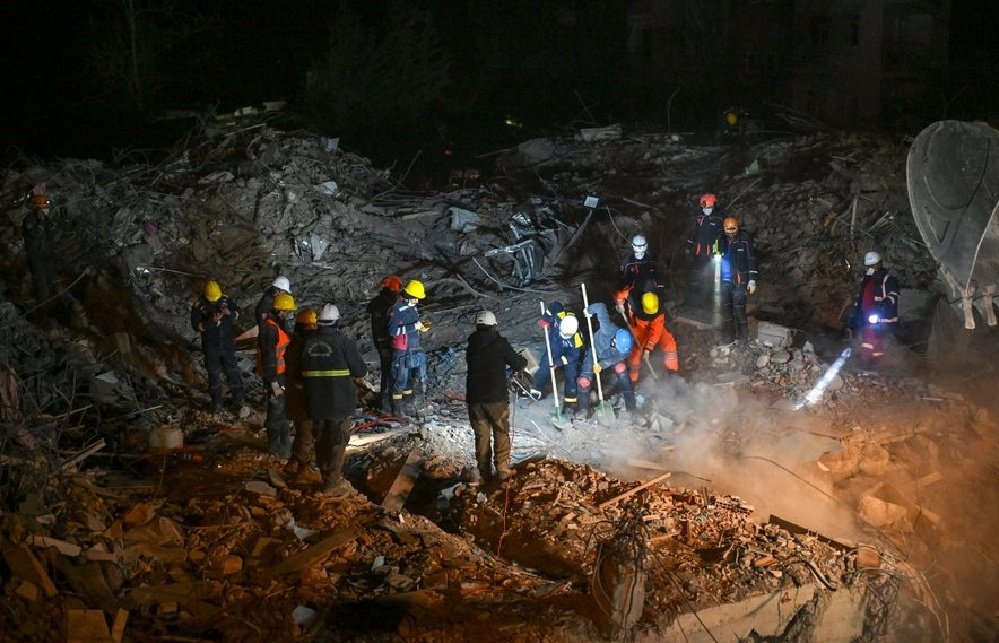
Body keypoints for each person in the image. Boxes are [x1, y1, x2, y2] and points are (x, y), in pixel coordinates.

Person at [301, 304, 367, 497]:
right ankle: (331, 484)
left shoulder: (307, 342)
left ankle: (324, 478)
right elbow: (360, 371)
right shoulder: (343, 342)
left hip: (315, 401)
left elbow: (298, 372)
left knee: (320, 439)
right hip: (339, 401)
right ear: (337, 321)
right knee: (337, 442)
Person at [465, 310, 528, 484]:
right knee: (501, 431)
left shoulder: (472, 344)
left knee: (482, 435)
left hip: (475, 398)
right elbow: (517, 363)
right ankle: (501, 468)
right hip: (495, 397)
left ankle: (484, 473)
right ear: (494, 326)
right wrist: (523, 362)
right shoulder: (499, 343)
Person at [190, 280, 245, 415]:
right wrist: (211, 322)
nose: (214, 303)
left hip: (227, 345)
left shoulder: (226, 300)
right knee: (214, 375)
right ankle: (217, 404)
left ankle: (239, 402)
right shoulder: (199, 306)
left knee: (233, 372)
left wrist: (229, 313)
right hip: (211, 347)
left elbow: (238, 313)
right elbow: (197, 326)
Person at [578, 303, 637, 418]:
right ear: (614, 340)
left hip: (609, 357)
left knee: (621, 370)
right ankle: (584, 409)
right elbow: (600, 307)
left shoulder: (626, 347)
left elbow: (618, 357)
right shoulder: (608, 329)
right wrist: (589, 310)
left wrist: (602, 364)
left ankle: (631, 408)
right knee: (584, 380)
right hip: (594, 350)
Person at [256, 292, 297, 458]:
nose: (288, 315)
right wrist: (273, 382)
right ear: (281, 311)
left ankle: (283, 449)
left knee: (282, 411)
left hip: (281, 375)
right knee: (276, 411)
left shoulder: (277, 326)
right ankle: (275, 449)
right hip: (276, 377)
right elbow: (269, 358)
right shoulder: (269, 329)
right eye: (287, 312)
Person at [284, 308, 319, 482]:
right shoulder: (304, 348)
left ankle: (292, 463)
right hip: (304, 397)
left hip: (295, 396)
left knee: (301, 432)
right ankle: (304, 470)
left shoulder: (294, 345)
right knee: (307, 433)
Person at [387, 279, 430, 417]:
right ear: (409, 296)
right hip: (401, 349)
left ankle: (407, 407)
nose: (418, 301)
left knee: (410, 380)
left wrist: (420, 327)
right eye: (416, 298)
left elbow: (412, 325)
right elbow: (393, 332)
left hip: (412, 348)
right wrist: (414, 327)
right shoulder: (396, 309)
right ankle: (397, 412)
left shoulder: (412, 307)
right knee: (400, 380)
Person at [531, 302, 583, 411]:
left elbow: (573, 356)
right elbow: (555, 305)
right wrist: (545, 318)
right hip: (554, 349)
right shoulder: (559, 316)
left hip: (567, 355)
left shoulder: (577, 340)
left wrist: (558, 363)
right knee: (545, 366)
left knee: (571, 373)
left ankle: (570, 400)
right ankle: (536, 389)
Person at [852, 251, 899, 364]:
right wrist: (855, 313)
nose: (872, 268)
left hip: (879, 318)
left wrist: (879, 309)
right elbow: (862, 297)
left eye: (874, 265)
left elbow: (892, 297)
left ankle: (865, 361)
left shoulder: (888, 280)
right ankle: (875, 363)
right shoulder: (866, 281)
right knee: (873, 340)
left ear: (880, 263)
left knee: (870, 339)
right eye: (869, 266)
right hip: (866, 316)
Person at [717, 216, 758, 346]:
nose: (730, 232)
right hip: (724, 280)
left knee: (739, 309)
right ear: (724, 229)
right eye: (727, 229)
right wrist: (715, 253)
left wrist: (752, 279)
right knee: (726, 311)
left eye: (733, 229)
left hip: (739, 280)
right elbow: (715, 254)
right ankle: (729, 337)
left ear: (737, 227)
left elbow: (752, 259)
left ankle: (743, 338)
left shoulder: (744, 240)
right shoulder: (721, 240)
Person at [366, 275, 402, 413]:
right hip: (389, 341)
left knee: (387, 370)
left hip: (380, 341)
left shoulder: (377, 301)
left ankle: (386, 402)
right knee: (391, 371)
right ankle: (387, 404)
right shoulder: (391, 303)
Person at [625, 292, 679, 383]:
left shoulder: (657, 307)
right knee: (636, 352)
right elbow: (622, 292)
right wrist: (619, 302)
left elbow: (656, 330)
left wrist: (648, 348)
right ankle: (632, 379)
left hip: (656, 324)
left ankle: (672, 372)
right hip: (640, 326)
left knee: (669, 344)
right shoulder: (634, 303)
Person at [686, 193, 724, 312]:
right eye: (704, 208)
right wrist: (688, 245)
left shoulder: (718, 219)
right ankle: (697, 302)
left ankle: (711, 302)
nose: (706, 210)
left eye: (708, 208)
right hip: (698, 251)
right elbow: (694, 232)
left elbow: (720, 236)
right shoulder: (699, 217)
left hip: (711, 254)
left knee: (711, 277)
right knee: (697, 275)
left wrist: (718, 250)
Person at [22, 192, 55, 306]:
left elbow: (50, 237)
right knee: (41, 286)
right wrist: (40, 221)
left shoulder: (45, 219)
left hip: (46, 255)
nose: (47, 209)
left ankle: (47, 307)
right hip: (36, 257)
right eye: (45, 207)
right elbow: (36, 234)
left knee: (49, 281)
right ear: (38, 208)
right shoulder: (30, 219)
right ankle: (42, 312)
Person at [615, 234, 659, 316]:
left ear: (646, 245)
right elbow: (621, 282)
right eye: (637, 246)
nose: (640, 248)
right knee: (635, 309)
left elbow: (656, 274)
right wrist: (620, 303)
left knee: (652, 307)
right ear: (633, 246)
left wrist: (659, 286)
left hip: (649, 290)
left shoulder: (650, 260)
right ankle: (635, 319)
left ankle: (651, 316)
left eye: (642, 246)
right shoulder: (628, 262)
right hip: (634, 290)